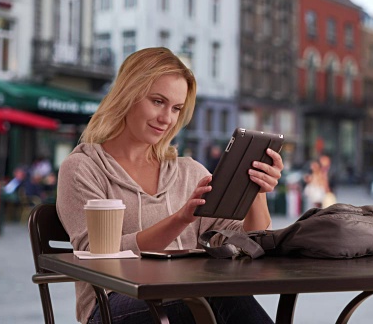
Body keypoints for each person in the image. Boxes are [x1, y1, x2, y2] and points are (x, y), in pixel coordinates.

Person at [56, 47, 281, 324]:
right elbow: (96, 253)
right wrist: (179, 220)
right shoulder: (84, 168)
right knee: (214, 294)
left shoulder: (189, 172)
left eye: (176, 108)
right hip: (112, 304)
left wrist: (255, 190)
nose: (167, 118)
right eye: (158, 101)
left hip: (189, 296)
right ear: (128, 95)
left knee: (216, 292)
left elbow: (248, 244)